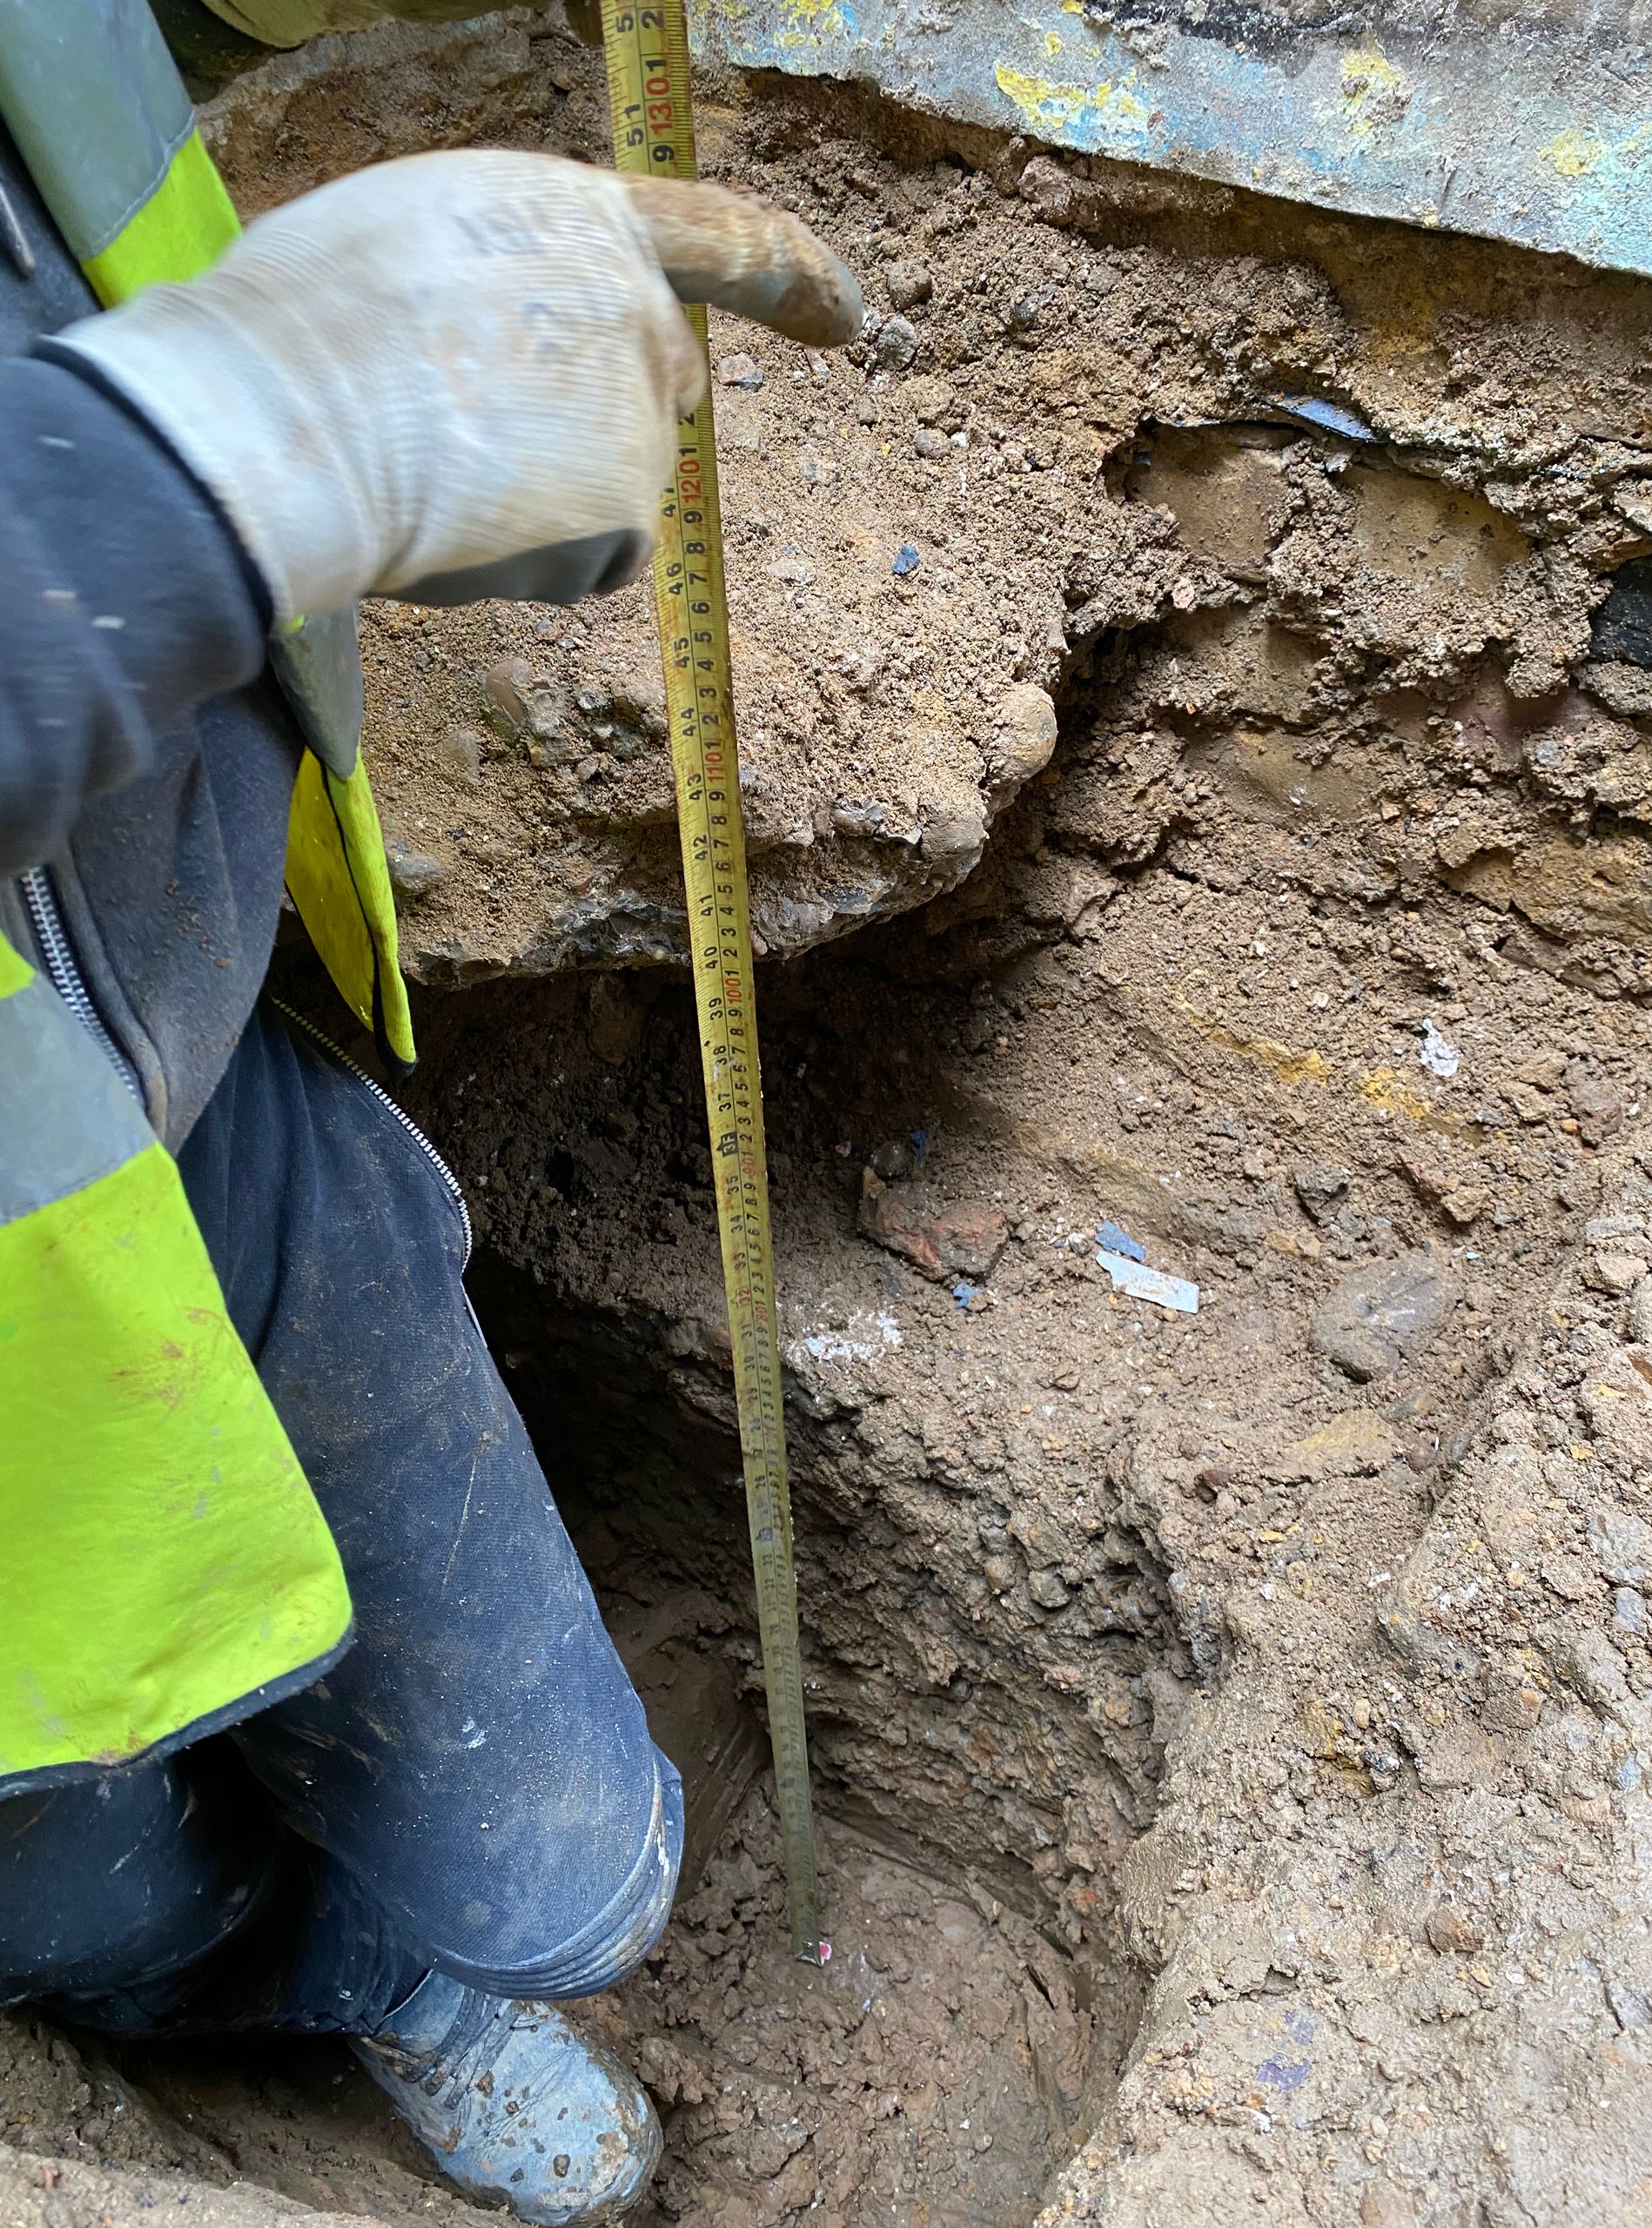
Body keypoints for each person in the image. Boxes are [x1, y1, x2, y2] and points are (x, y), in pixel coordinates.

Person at [0, 14, 861, 2220]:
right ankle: (311, 1968)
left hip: (168, 1109)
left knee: (564, 1860)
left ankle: (443, 1949)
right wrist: (196, 470)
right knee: (102, 1900)